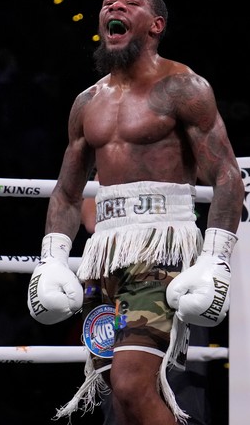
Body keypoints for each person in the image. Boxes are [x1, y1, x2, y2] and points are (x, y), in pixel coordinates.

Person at [26, 0, 244, 425]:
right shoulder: (87, 102)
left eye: (129, 1)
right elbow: (68, 191)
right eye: (107, 2)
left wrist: (216, 259)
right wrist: (50, 259)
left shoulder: (183, 87)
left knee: (132, 383)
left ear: (155, 24)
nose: (113, 6)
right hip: (106, 253)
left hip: (161, 249)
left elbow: (226, 173)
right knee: (117, 393)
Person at [81, 174, 213, 425]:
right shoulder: (105, 155)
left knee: (176, 393)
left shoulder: (174, 146)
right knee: (120, 395)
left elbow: (220, 176)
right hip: (113, 270)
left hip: (169, 265)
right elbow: (90, 219)